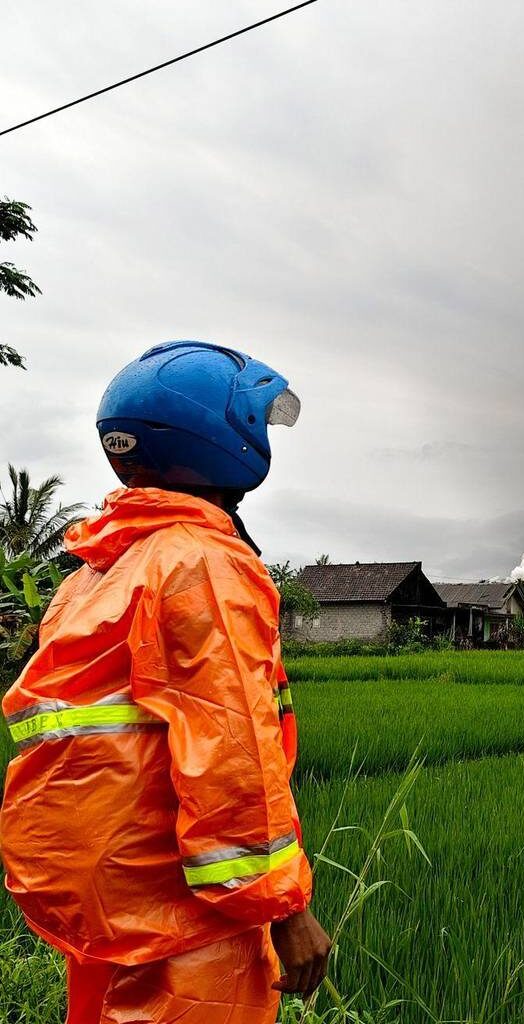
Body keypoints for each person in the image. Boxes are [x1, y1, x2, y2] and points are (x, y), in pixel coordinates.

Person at [1, 340, 330, 1023]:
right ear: (221, 436)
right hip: (183, 917)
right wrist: (283, 907)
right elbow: (230, 753)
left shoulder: (96, 572)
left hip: (105, 902)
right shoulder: (201, 563)